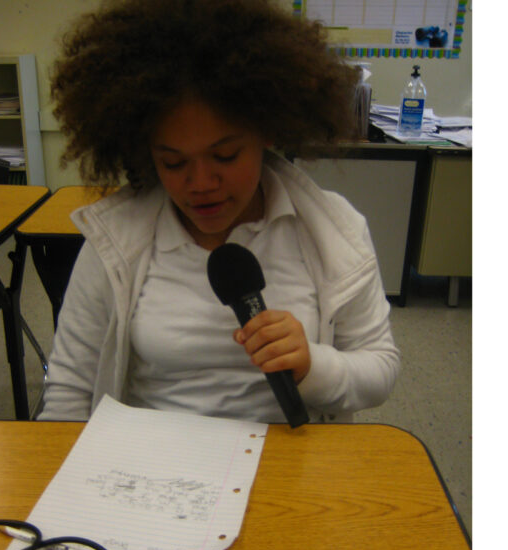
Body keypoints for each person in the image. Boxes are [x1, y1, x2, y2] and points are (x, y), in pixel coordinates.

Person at [37, 0, 400, 424]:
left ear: (267, 132)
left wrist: (312, 365)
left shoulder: (333, 230)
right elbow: (69, 390)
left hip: (288, 465)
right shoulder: (114, 239)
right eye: (173, 163)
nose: (201, 184)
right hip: (150, 467)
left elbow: (380, 368)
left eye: (225, 156)